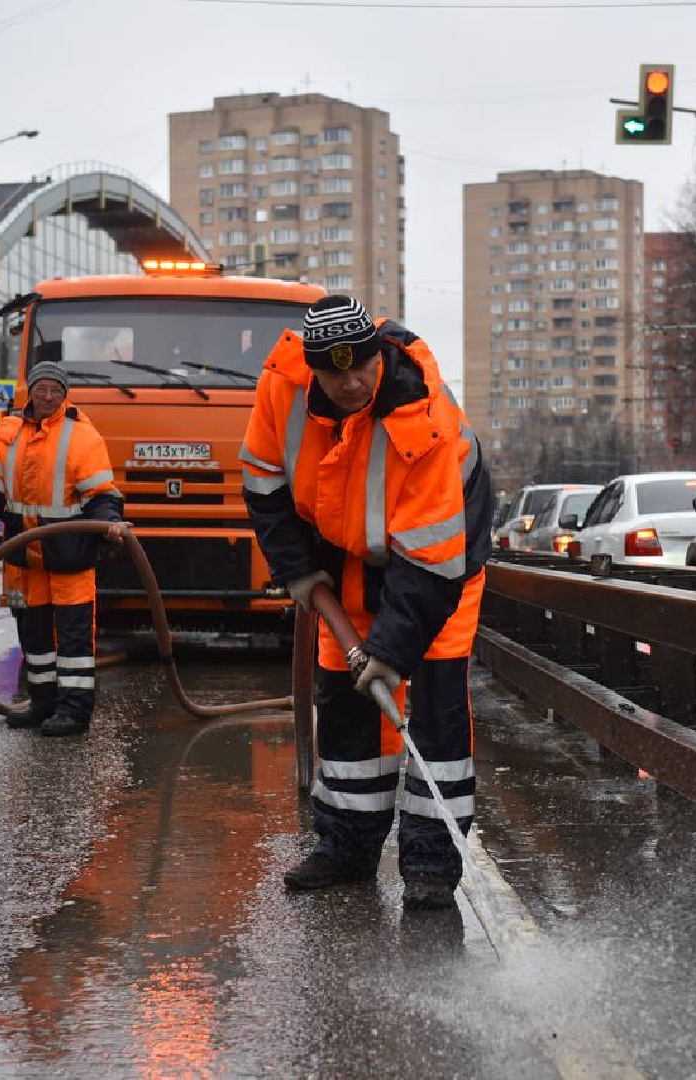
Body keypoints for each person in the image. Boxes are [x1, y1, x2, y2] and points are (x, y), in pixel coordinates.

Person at [240, 295, 494, 911]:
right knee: (347, 703)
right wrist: (298, 572)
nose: (353, 384)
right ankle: (347, 850)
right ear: (313, 370)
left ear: (379, 354)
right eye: (336, 372)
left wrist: (390, 652)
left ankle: (432, 866)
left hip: (441, 565)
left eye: (363, 368)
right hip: (346, 558)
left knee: (432, 712)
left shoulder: (420, 415)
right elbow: (263, 482)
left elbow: (432, 561)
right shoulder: (281, 390)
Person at [0, 360, 128, 737]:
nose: (49, 396)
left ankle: (74, 710)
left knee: (73, 637)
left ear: (65, 393)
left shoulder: (83, 437)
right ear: (31, 392)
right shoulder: (8, 435)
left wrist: (110, 525)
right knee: (34, 635)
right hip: (25, 559)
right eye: (42, 389)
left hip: (70, 555)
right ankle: (42, 702)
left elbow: (101, 494)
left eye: (56, 389)